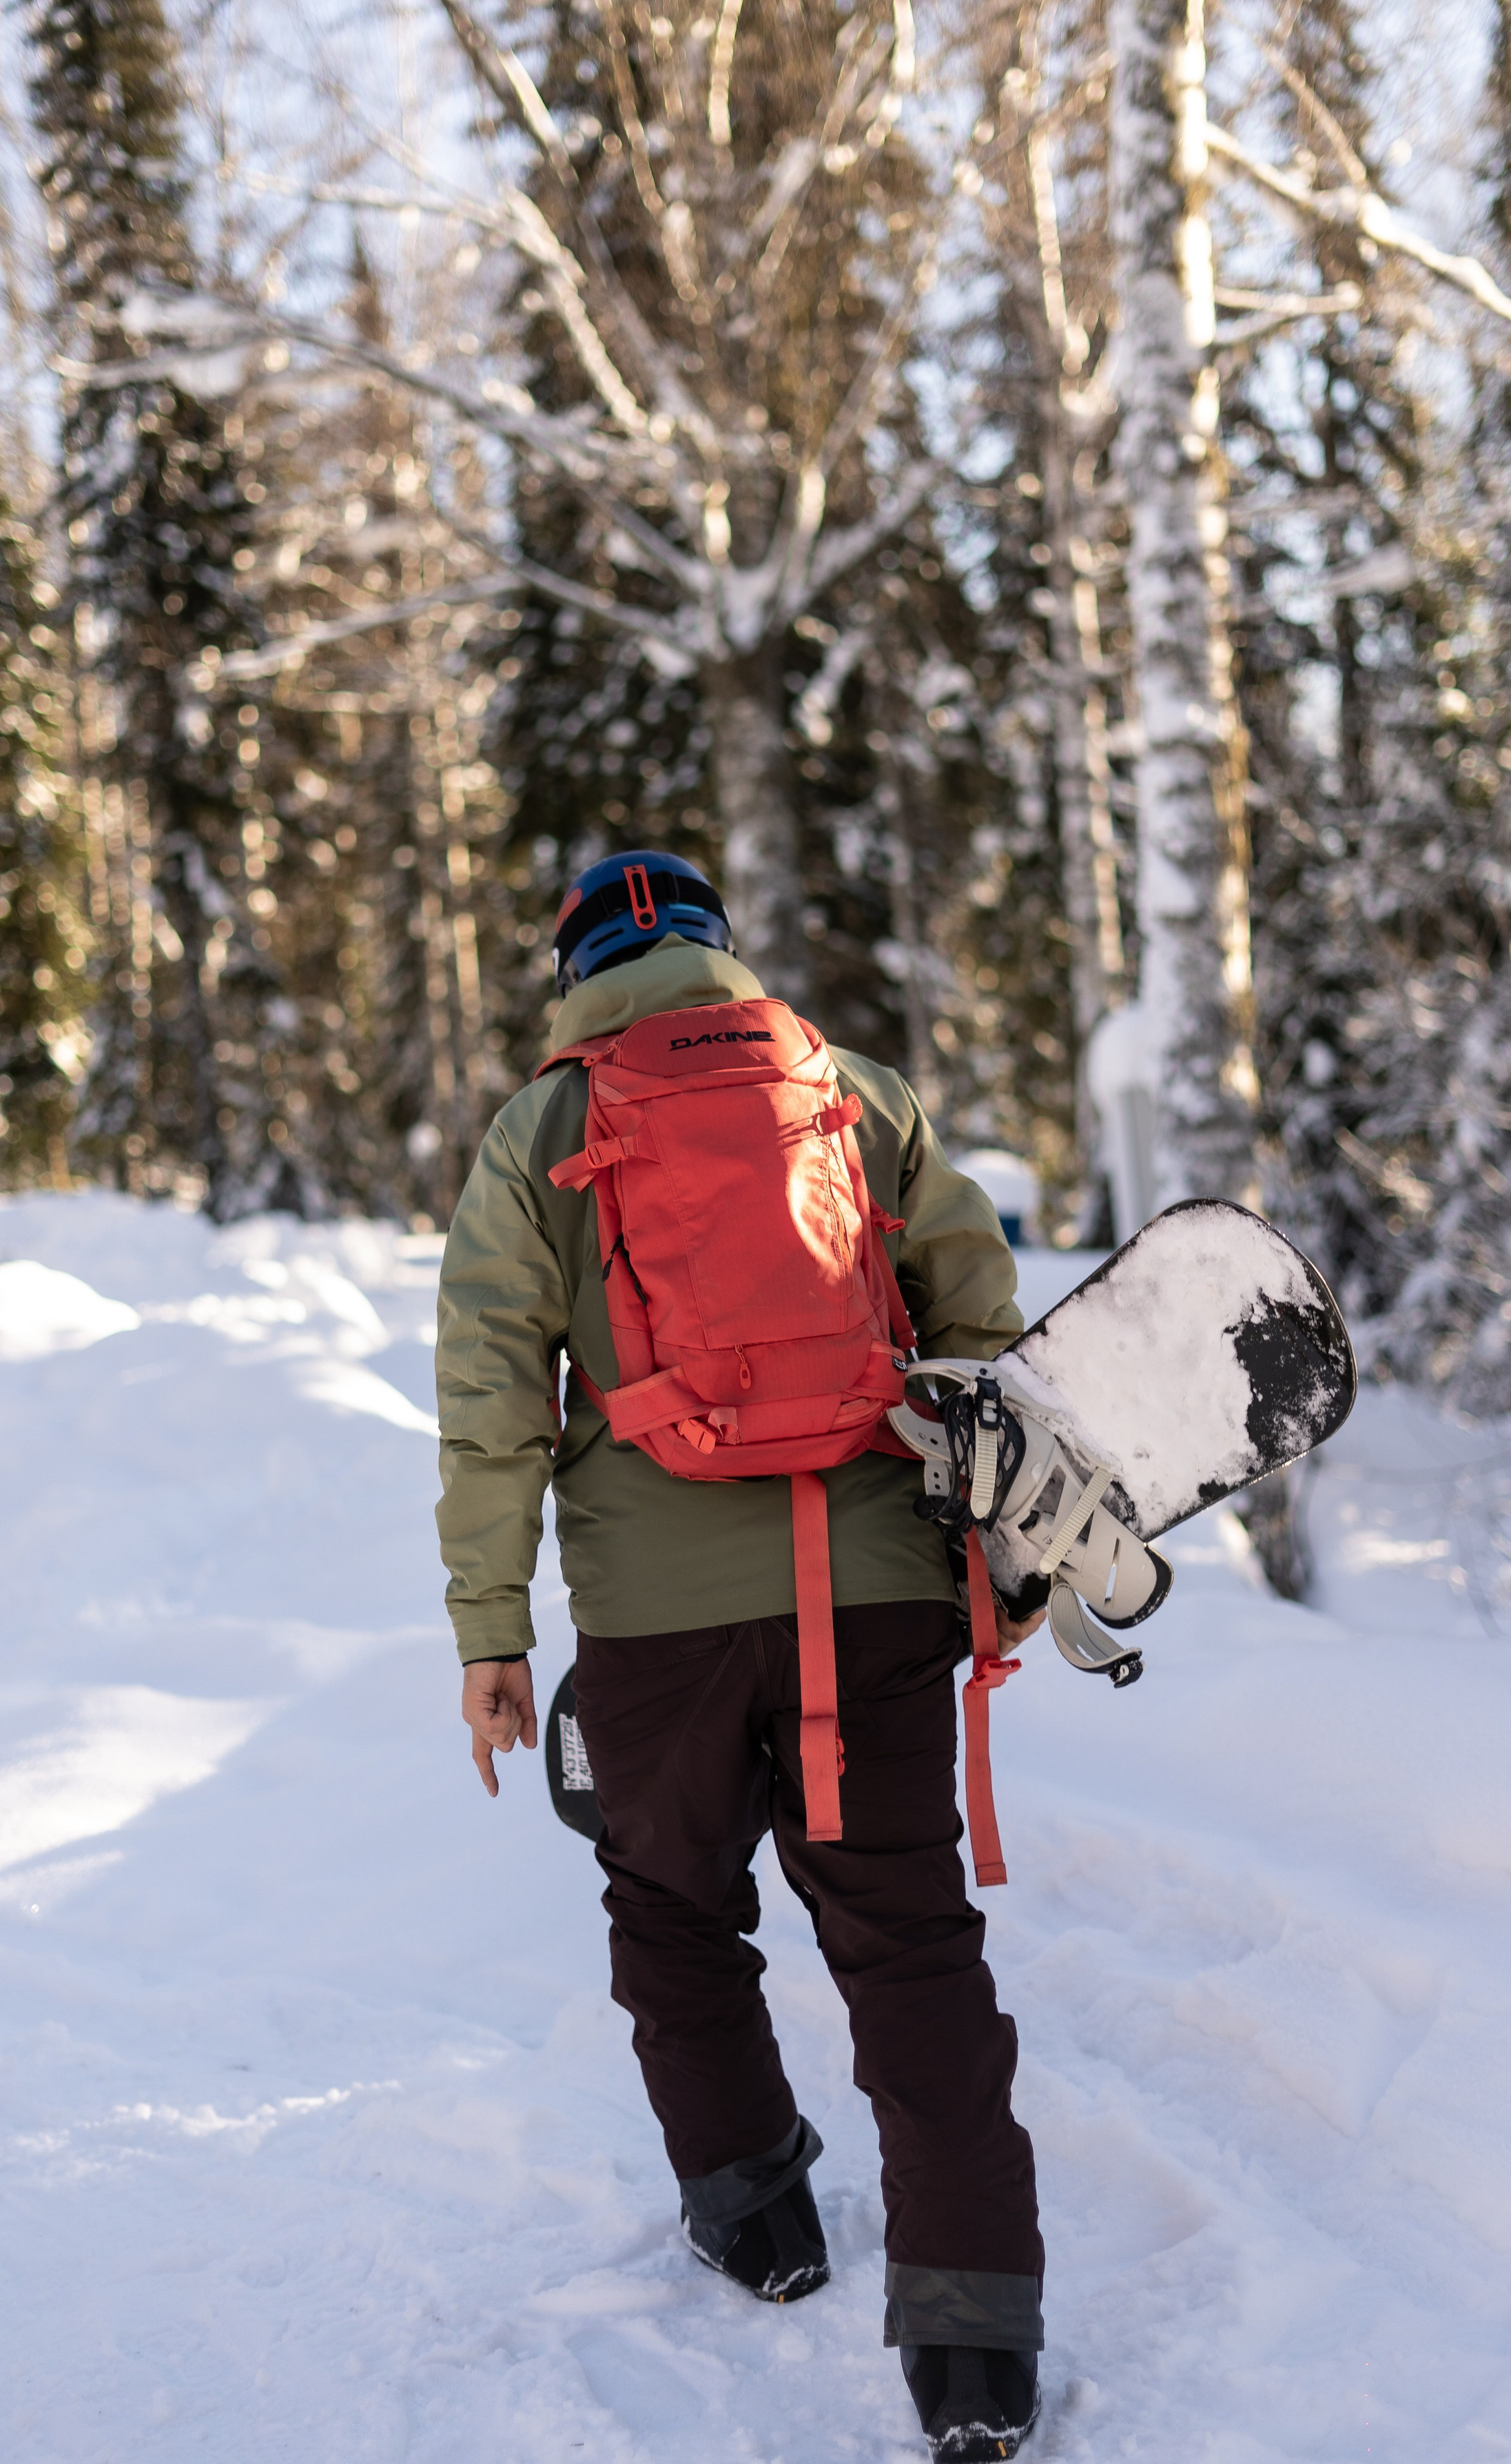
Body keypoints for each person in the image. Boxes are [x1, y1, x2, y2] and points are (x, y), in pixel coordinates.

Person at [435, 850, 1049, 2463]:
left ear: (573, 971)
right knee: (910, 1945)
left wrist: (490, 1630)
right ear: (719, 952)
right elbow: (983, 1338)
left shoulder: (540, 1133)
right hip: (879, 1598)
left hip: (656, 1621)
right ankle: (973, 2349)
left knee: (671, 1909)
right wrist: (1000, 1557)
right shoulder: (852, 1094)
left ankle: (755, 2214)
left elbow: (494, 1404)